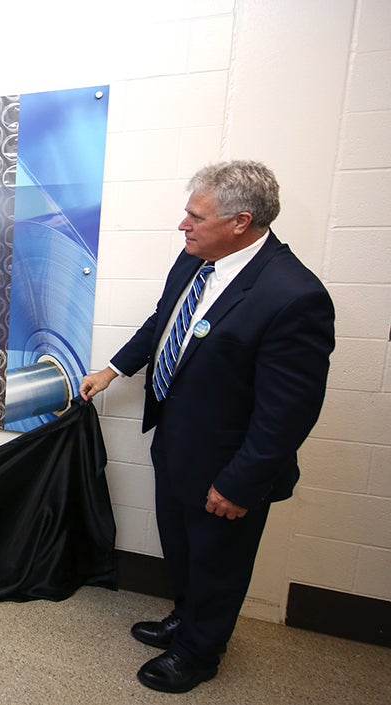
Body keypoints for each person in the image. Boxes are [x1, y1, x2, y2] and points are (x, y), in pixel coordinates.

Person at [79, 161, 334, 693]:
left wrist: (242, 481)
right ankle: (187, 617)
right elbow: (163, 322)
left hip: (229, 462)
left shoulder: (293, 296)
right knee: (182, 543)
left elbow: (288, 410)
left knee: (219, 558)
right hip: (176, 439)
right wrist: (113, 369)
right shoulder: (197, 259)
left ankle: (198, 652)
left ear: (241, 222)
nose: (182, 226)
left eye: (195, 216)